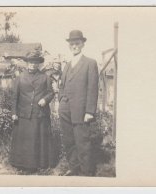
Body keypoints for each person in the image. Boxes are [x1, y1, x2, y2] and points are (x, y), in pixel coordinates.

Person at [9, 43, 57, 172]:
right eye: (31, 62)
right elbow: (15, 97)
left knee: (37, 140)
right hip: (23, 114)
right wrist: (14, 112)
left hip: (39, 114)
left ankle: (38, 165)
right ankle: (20, 164)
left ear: (39, 64)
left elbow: (51, 92)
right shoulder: (19, 78)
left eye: (36, 62)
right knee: (24, 140)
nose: (33, 64)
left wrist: (45, 100)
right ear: (27, 63)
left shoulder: (45, 77)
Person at [58, 30, 99, 176]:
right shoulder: (67, 65)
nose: (74, 46)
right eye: (72, 44)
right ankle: (74, 168)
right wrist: (61, 102)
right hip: (65, 110)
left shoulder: (90, 63)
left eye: (77, 43)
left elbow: (93, 88)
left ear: (82, 44)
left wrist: (89, 111)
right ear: (69, 45)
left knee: (82, 142)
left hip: (81, 111)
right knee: (69, 141)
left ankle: (86, 172)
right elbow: (61, 85)